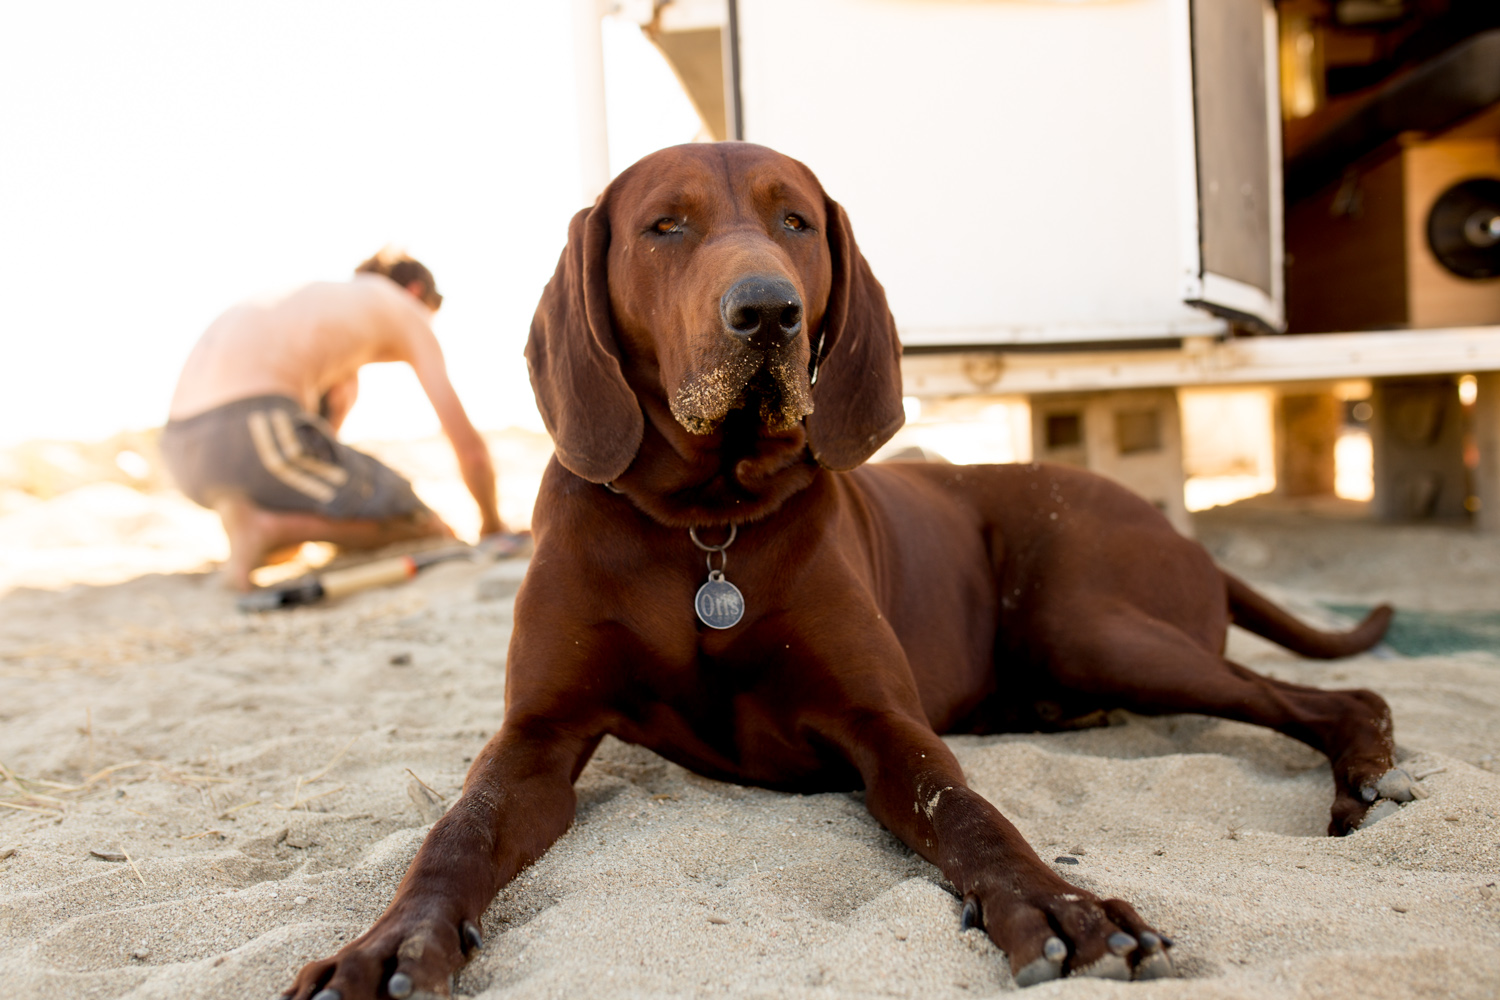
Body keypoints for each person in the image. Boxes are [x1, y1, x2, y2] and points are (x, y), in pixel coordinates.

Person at [162, 249, 508, 590]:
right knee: (420, 521)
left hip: (181, 454)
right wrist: (492, 524)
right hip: (253, 427)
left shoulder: (319, 304)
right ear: (416, 291)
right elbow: (470, 450)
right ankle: (267, 529)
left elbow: (322, 453)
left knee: (308, 533)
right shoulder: (402, 307)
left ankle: (264, 529)